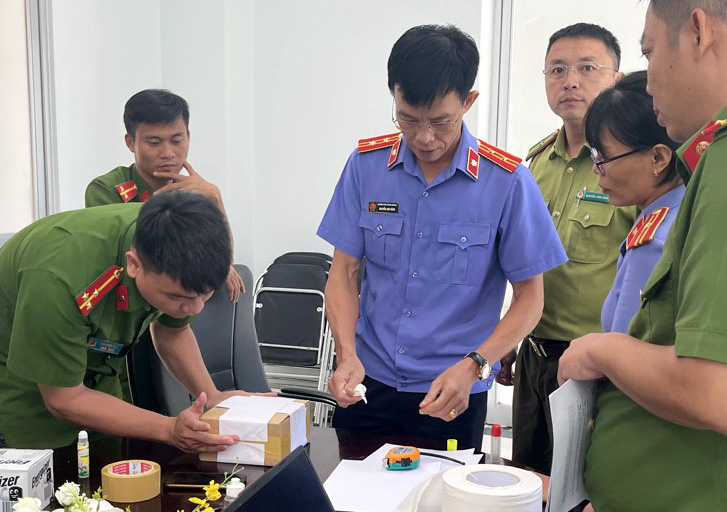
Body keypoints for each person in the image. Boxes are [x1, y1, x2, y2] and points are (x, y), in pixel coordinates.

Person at [317, 24, 567, 450]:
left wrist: (476, 365)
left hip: (453, 392)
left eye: (440, 122)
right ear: (394, 96)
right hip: (367, 383)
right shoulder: (366, 166)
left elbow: (530, 298)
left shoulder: (507, 182)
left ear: (468, 103)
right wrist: (346, 355)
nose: (424, 138)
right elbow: (343, 273)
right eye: (408, 120)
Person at [559, 2, 727, 509]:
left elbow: (708, 390)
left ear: (697, 31)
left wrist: (597, 350)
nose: (647, 81)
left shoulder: (719, 166)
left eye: (649, 52)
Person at [0, 191, 266, 451]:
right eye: (178, 298)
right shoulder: (59, 280)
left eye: (205, 295)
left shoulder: (177, 245)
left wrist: (212, 396)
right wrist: (169, 429)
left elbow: (172, 332)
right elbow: (64, 399)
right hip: (25, 377)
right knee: (47, 482)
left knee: (111, 465)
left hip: (97, 371)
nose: (194, 308)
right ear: (134, 265)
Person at [509, 23, 638, 475]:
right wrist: (508, 341)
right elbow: (525, 263)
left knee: (583, 488)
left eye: (587, 68)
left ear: (617, 79)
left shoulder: (639, 164)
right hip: (534, 358)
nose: (570, 81)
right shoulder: (534, 163)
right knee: (526, 483)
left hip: (597, 368)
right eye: (557, 70)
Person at [85, 89, 244, 303]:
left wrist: (216, 199)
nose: (168, 153)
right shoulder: (107, 190)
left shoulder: (198, 192)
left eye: (177, 141)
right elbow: (138, 262)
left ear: (188, 137)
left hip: (180, 308)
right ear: (131, 142)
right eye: (154, 143)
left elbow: (219, 256)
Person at [584, 70, 684, 334]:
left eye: (603, 157)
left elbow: (623, 356)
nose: (596, 169)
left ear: (658, 159)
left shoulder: (652, 244)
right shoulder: (688, 205)